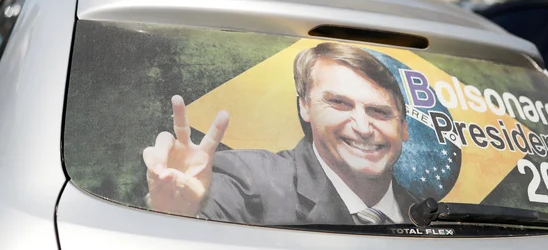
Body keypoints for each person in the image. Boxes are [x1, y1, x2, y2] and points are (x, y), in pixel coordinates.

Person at [142, 42, 418, 226]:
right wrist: (178, 216)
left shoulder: (437, 216)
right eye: (339, 104)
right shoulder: (250, 179)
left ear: (403, 127)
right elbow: (209, 213)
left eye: (379, 111)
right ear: (305, 107)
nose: (362, 126)